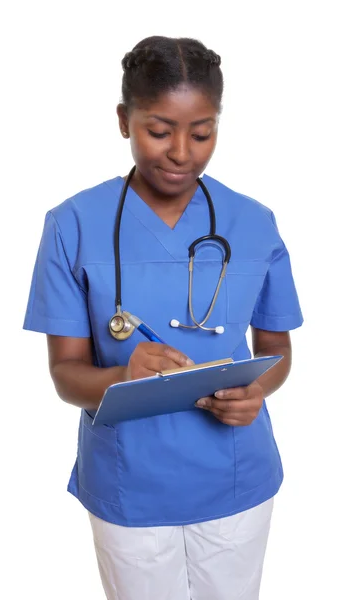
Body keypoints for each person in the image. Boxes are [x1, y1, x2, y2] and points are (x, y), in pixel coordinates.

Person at [23, 35, 303, 600]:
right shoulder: (71, 224)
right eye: (159, 130)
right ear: (124, 121)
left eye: (202, 133)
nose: (182, 151)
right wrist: (120, 376)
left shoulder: (254, 223)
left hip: (235, 476)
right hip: (131, 483)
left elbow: (277, 351)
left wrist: (259, 390)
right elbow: (65, 375)